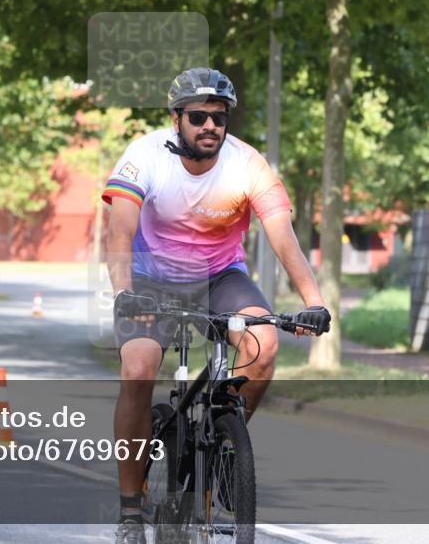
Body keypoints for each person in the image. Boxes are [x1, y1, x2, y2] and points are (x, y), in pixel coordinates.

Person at [102, 67, 331, 544]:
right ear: (177, 119)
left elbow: (283, 236)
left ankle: (227, 444)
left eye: (219, 118)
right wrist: (124, 292)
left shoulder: (247, 164)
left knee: (263, 343)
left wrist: (314, 302)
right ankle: (130, 510)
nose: (210, 126)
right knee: (138, 368)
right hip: (150, 280)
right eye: (199, 117)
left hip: (219, 277)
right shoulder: (144, 156)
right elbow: (119, 232)